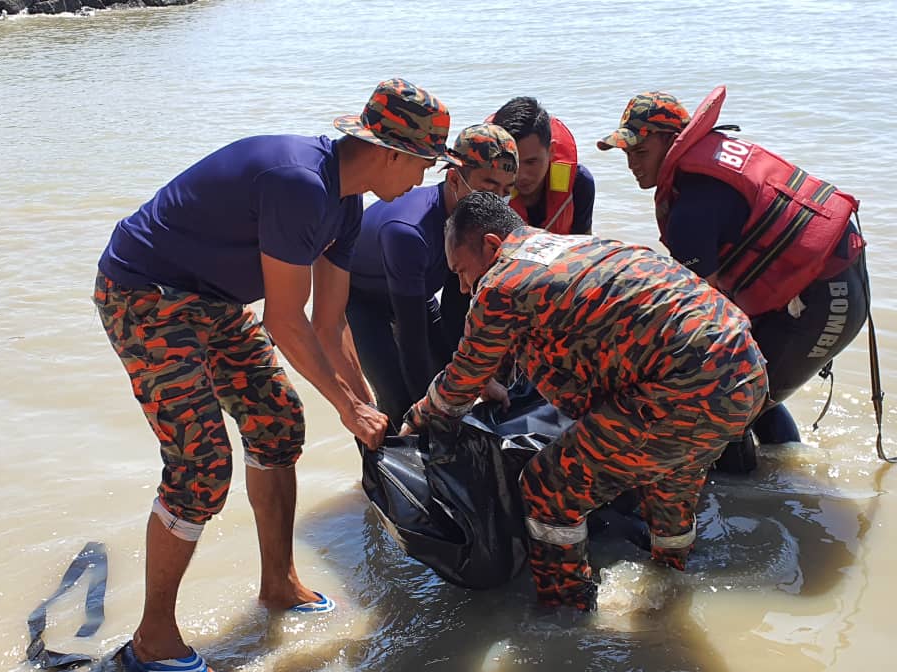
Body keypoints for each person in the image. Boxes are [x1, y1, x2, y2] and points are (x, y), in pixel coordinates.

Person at [93, 79, 451, 672]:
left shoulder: (347, 205)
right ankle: (153, 641)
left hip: (212, 300)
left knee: (279, 423)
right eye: (424, 163)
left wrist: (363, 407)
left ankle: (278, 582)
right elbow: (284, 322)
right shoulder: (299, 184)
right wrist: (346, 406)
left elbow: (327, 322)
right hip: (144, 293)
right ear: (391, 151)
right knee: (201, 464)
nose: (424, 181)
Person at [401, 192, 767, 610]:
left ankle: (567, 614)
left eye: (462, 272)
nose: (465, 288)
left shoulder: (501, 281)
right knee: (668, 483)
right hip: (744, 372)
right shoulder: (574, 247)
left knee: (549, 487)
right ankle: (673, 578)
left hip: (683, 386)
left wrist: (417, 417)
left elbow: (461, 380)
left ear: (490, 244)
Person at [597, 87, 869, 469]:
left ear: (673, 142)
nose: (631, 165)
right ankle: (784, 470)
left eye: (640, 152)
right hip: (837, 278)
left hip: (824, 302)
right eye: (627, 154)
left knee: (728, 398)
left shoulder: (689, 214)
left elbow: (704, 320)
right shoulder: (714, 164)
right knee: (754, 389)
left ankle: (754, 496)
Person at [346, 124, 518, 424]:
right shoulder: (409, 232)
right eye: (489, 188)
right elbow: (412, 343)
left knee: (453, 379)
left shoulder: (470, 224)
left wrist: (478, 381)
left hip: (416, 295)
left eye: (506, 191)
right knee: (399, 400)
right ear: (454, 178)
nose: (497, 200)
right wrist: (427, 416)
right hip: (362, 303)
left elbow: (456, 312)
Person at [490, 96, 595, 235]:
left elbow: (584, 247)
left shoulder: (580, 184)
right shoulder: (484, 188)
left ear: (551, 151)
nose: (521, 175)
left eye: (531, 162)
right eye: (512, 164)